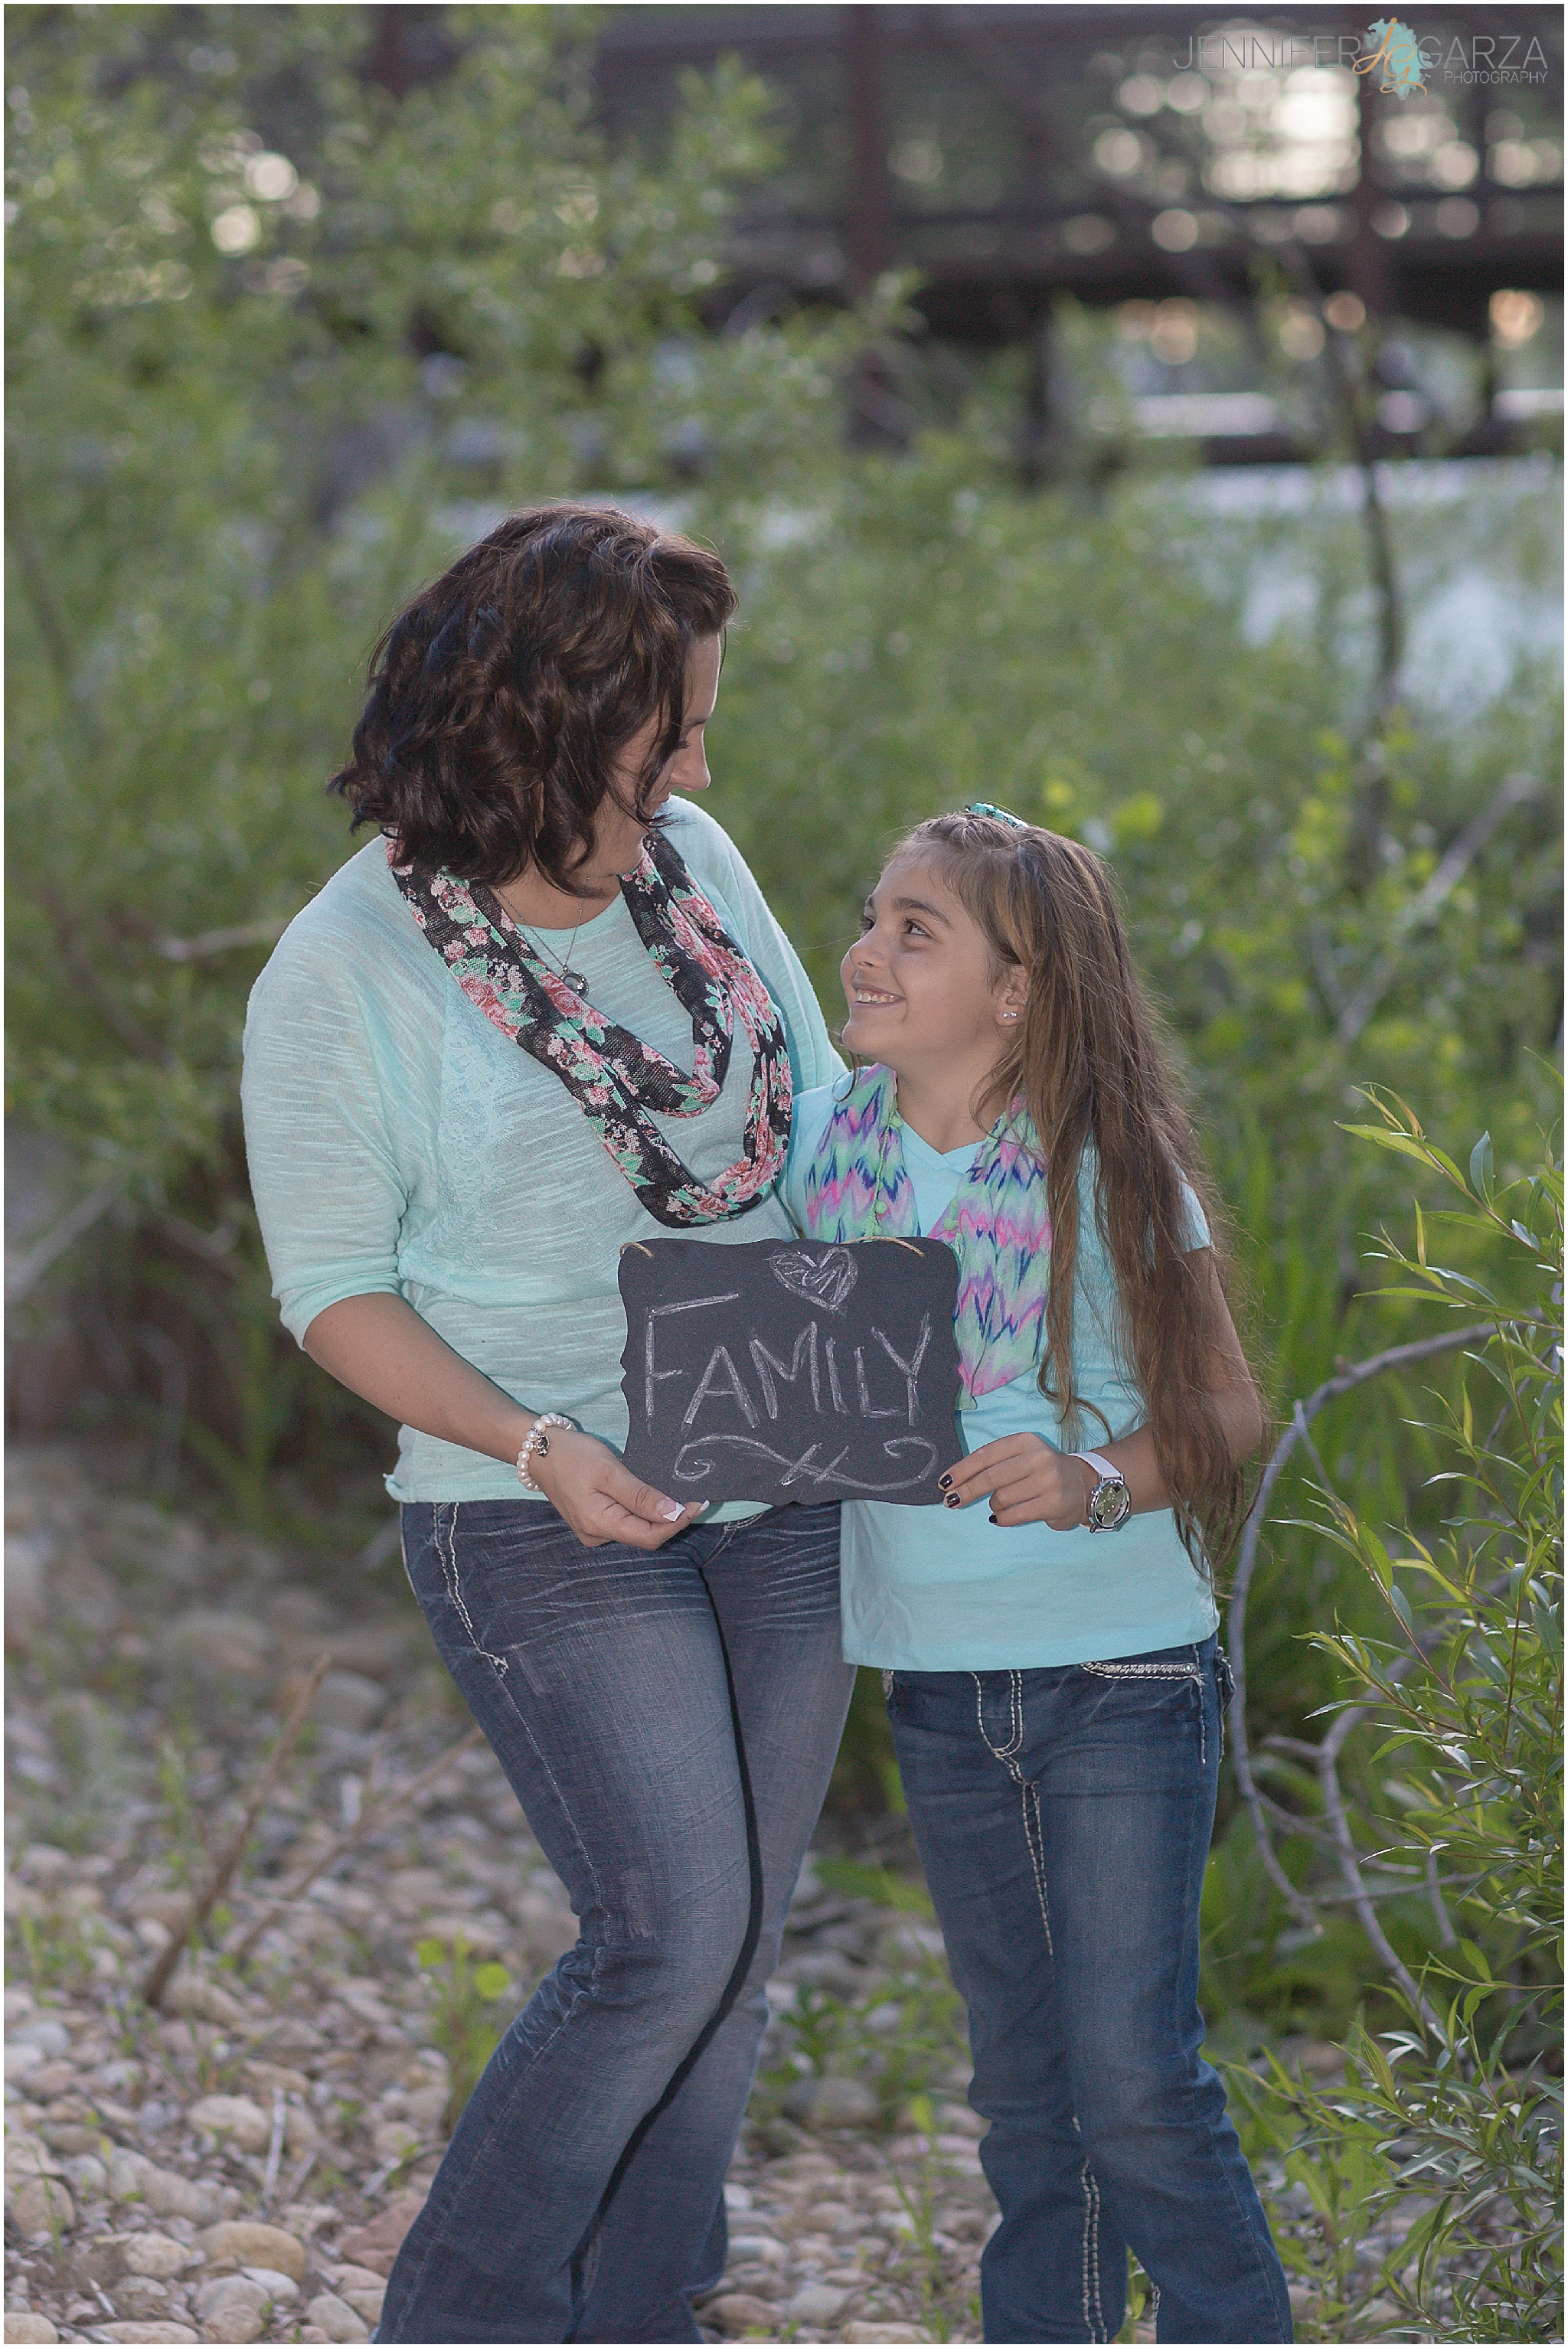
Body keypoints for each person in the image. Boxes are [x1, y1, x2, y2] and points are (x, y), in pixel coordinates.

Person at [241, 504, 854, 2343]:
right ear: (536, 725)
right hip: (536, 1503)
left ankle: (646, 2308)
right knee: (665, 1930)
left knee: (740, 1949)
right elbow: (334, 1288)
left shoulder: (697, 867)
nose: (694, 766)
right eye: (663, 736)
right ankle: (463, 2313)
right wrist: (536, 1448)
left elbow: (817, 1115)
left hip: (787, 1444)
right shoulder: (343, 971)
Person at [785, 807, 1292, 2344]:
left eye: (914, 930)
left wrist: (1089, 1480)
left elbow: (1224, 1419)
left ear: (1017, 993)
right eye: (869, 915)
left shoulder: (1108, 1178)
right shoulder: (820, 1149)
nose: (865, 950)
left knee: (1134, 2083)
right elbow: (762, 1378)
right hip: (937, 1688)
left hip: (1119, 1676)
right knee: (1023, 2104)